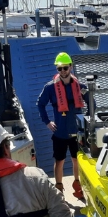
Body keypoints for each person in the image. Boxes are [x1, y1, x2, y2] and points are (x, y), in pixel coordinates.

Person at [37, 52, 88, 198]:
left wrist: (88, 120)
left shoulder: (81, 86)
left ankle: (78, 187)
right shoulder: (50, 88)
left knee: (77, 160)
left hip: (76, 132)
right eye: (59, 69)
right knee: (59, 162)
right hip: (59, 133)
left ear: (71, 67)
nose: (63, 71)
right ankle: (59, 190)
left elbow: (92, 102)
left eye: (65, 68)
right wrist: (47, 122)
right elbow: (40, 104)